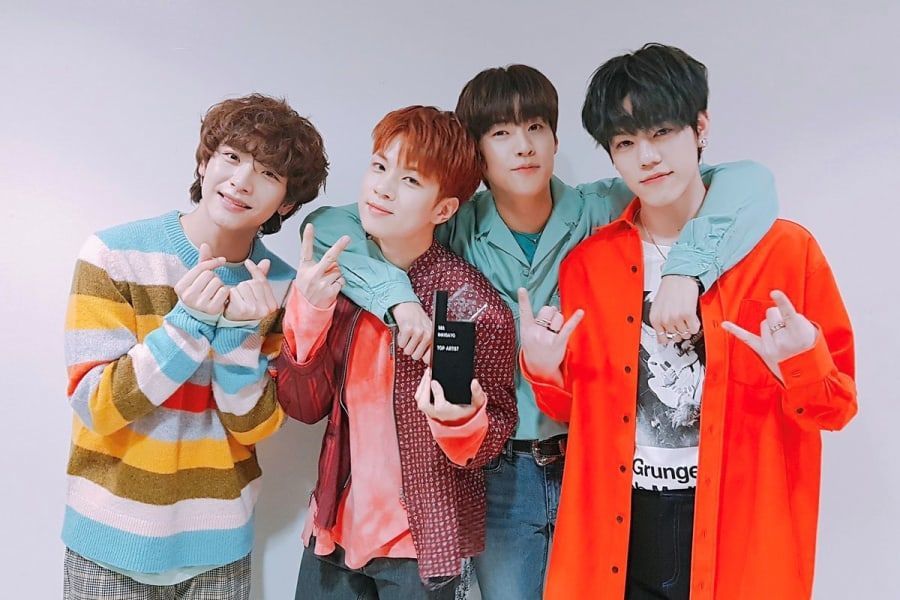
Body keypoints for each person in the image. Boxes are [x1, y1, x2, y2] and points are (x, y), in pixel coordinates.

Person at [302, 64, 779, 598]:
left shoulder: (599, 208)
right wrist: (396, 297)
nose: (523, 146)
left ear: (555, 138)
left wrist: (686, 271)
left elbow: (747, 182)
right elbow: (332, 226)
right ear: (479, 153)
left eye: (535, 127)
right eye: (500, 133)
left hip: (591, 458)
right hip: (498, 467)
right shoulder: (454, 221)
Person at [519, 43, 857, 599]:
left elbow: (836, 408)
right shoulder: (589, 265)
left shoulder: (785, 252)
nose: (647, 157)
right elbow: (577, 411)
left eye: (662, 132)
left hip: (741, 525)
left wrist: (800, 361)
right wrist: (544, 368)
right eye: (625, 143)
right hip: (621, 526)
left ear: (700, 127)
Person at [61, 94, 328, 599]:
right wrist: (187, 325)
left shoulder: (283, 288)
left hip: (218, 547)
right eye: (232, 156)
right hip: (107, 541)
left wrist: (237, 340)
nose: (242, 180)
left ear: (286, 203)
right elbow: (96, 405)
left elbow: (255, 427)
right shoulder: (114, 255)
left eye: (268, 173)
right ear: (204, 162)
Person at [274, 106, 517, 599]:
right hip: (334, 527)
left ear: (443, 210)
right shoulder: (335, 280)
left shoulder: (472, 306)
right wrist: (308, 310)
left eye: (410, 180)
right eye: (380, 167)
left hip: (421, 541)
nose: (382, 189)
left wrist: (460, 420)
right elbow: (302, 406)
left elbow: (492, 441)